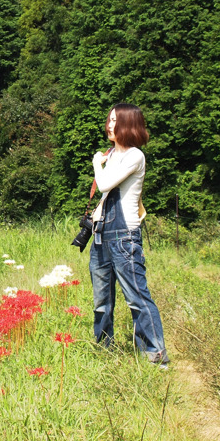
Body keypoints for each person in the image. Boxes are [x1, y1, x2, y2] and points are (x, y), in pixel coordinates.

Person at [89, 103, 169, 366]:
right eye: (109, 119)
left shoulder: (135, 156)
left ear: (129, 124)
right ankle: (104, 349)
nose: (110, 125)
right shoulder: (111, 154)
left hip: (124, 235)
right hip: (101, 233)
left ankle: (155, 355)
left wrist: (95, 164)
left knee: (136, 296)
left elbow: (104, 183)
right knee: (102, 300)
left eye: (115, 120)